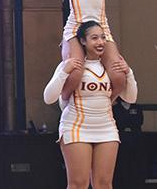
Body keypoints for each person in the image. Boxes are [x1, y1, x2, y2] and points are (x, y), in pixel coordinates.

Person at [43, 21, 137, 189]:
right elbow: (48, 97)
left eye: (102, 38)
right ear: (83, 41)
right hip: (76, 127)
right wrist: (64, 71)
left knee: (104, 184)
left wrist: (129, 72)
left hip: (106, 127)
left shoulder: (110, 66)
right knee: (79, 184)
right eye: (94, 38)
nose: (100, 42)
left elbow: (130, 98)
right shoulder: (72, 65)